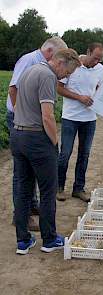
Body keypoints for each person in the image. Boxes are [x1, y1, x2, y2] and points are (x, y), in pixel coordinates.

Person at [10, 49, 81, 255]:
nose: (66, 76)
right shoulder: (48, 76)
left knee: (24, 190)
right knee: (48, 191)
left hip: (18, 135)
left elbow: (13, 93)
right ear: (60, 62)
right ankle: (49, 239)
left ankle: (22, 241)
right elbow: (48, 116)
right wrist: (54, 142)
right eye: (68, 71)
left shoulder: (29, 70)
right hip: (37, 139)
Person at [6, 37, 68, 231]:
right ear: (51, 52)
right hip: (22, 121)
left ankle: (32, 208)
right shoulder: (29, 61)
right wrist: (20, 113)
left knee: (30, 171)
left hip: (28, 122)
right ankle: (21, 216)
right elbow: (13, 89)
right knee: (22, 174)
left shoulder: (41, 66)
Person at [57, 43, 103, 202]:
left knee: (84, 154)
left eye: (100, 59)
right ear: (88, 52)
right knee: (65, 153)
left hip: (89, 119)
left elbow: (99, 90)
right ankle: (59, 187)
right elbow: (59, 88)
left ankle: (78, 188)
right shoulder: (72, 64)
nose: (97, 61)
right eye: (95, 58)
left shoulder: (100, 69)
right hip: (70, 117)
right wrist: (79, 97)